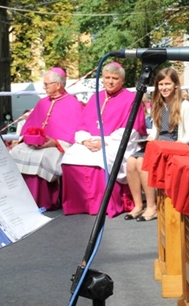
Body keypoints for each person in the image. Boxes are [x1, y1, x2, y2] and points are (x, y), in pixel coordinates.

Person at [60, 62, 147, 217]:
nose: (110, 81)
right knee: (70, 156)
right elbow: (82, 125)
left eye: (115, 78)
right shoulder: (96, 97)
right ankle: (78, 204)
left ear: (122, 80)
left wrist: (105, 142)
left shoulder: (131, 99)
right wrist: (85, 140)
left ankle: (103, 205)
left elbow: (133, 130)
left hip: (117, 142)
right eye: (107, 77)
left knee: (102, 158)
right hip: (91, 140)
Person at [125, 68, 189, 222]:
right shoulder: (158, 105)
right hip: (158, 144)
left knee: (143, 162)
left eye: (167, 84)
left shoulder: (184, 106)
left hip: (175, 144)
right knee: (131, 161)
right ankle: (138, 205)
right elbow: (155, 132)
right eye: (161, 84)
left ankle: (152, 206)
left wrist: (177, 144)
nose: (164, 88)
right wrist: (149, 140)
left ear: (176, 85)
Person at [9, 68, 83, 210]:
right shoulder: (42, 103)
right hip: (37, 144)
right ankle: (18, 199)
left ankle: (42, 201)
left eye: (47, 84)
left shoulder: (73, 104)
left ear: (58, 85)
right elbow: (29, 125)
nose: (44, 87)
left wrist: (54, 142)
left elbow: (75, 133)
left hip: (57, 147)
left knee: (42, 157)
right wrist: (30, 138)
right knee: (16, 151)